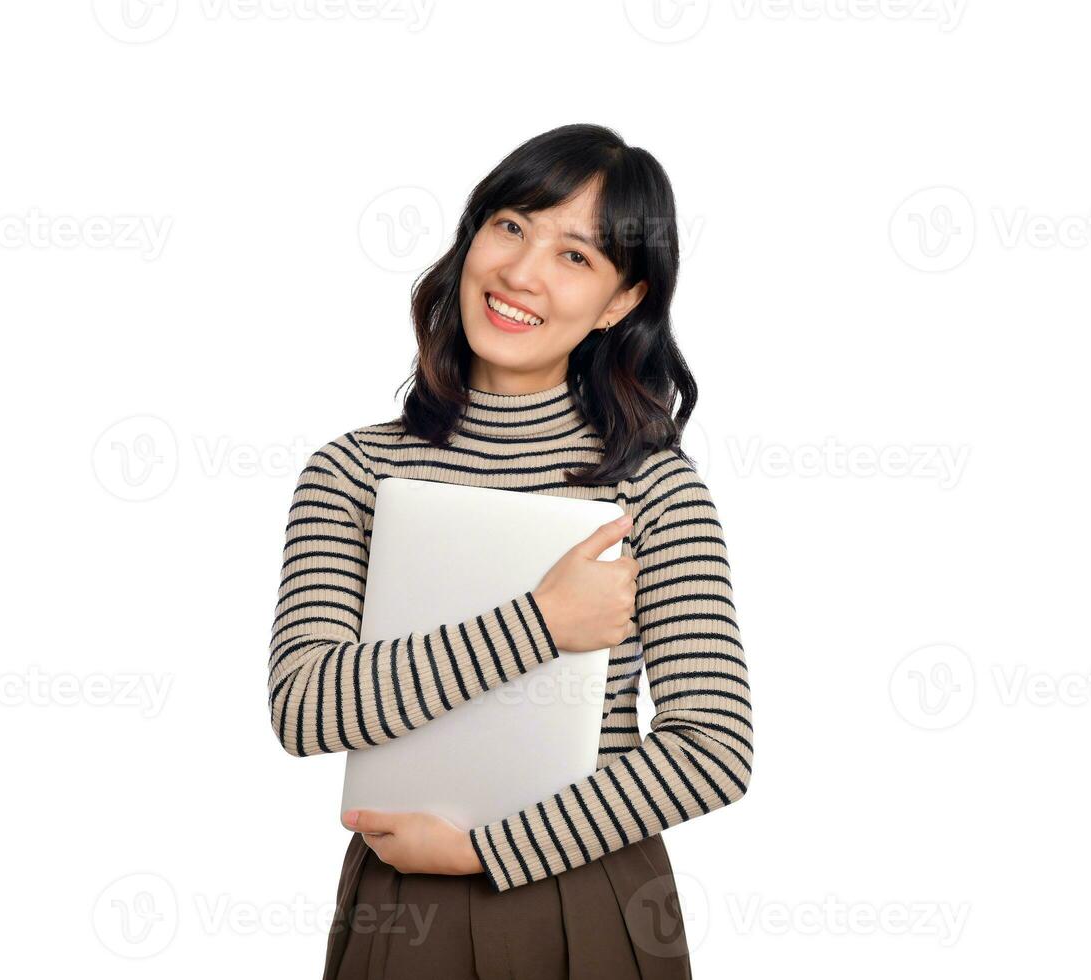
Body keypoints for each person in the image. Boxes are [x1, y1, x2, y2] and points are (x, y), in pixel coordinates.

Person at [267, 123, 753, 979]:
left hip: (592, 894)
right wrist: (542, 622)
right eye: (512, 226)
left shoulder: (656, 489)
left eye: (575, 256)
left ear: (619, 302)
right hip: (400, 905)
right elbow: (305, 710)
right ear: (471, 238)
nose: (523, 273)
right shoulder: (353, 472)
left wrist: (486, 850)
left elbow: (712, 746)